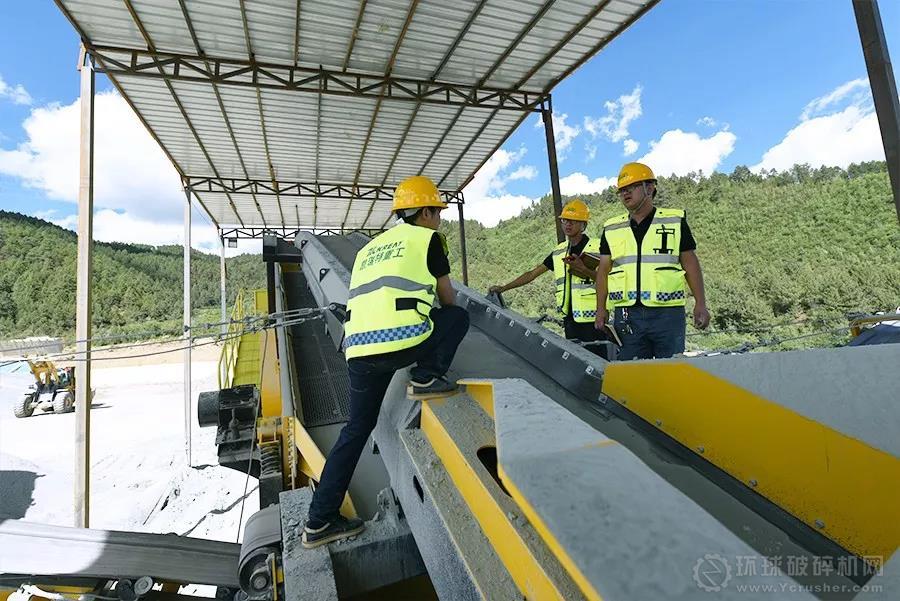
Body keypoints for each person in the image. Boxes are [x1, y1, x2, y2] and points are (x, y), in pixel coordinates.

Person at [302, 175, 470, 548]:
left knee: (356, 428)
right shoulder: (427, 240)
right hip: (403, 342)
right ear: (424, 213)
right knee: (458, 318)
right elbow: (448, 299)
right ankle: (427, 377)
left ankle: (319, 520)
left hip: (359, 349)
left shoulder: (370, 248)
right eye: (437, 212)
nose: (439, 219)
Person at [594, 162, 710, 360]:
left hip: (668, 314)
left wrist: (700, 303)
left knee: (670, 370)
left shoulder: (674, 221)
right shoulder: (612, 229)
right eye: (621, 190)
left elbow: (690, 264)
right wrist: (600, 308)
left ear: (649, 188)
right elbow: (603, 271)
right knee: (633, 372)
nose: (625, 193)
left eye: (631, 187)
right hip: (627, 314)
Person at [489, 199, 609, 358]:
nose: (568, 224)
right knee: (576, 362)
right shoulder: (559, 252)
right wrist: (504, 288)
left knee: (599, 362)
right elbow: (532, 274)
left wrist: (584, 269)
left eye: (573, 221)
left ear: (583, 225)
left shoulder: (598, 247)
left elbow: (609, 279)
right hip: (569, 320)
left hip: (594, 319)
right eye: (565, 220)